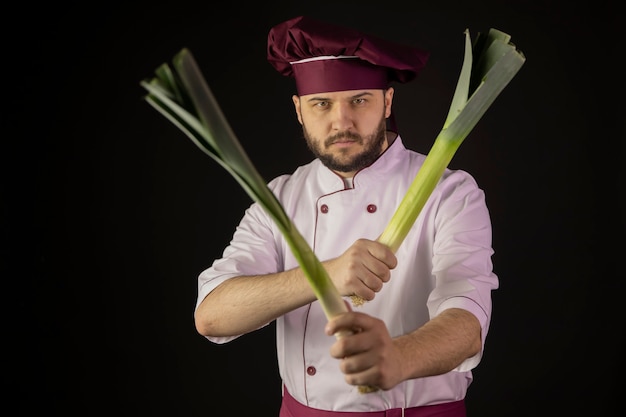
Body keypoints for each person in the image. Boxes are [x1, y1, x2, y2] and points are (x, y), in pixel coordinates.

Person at [194, 15, 499, 416]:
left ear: (387, 101)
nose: (342, 122)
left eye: (359, 100)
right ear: (299, 110)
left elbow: (467, 322)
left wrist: (399, 357)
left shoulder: (450, 192)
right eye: (322, 104)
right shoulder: (280, 198)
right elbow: (212, 315)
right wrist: (325, 274)